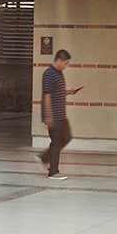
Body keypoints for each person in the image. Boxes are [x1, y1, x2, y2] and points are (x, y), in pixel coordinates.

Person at [37, 49, 82, 180]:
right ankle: (53, 172)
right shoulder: (49, 74)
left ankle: (43, 158)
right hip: (54, 115)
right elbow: (47, 95)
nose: (66, 66)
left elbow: (58, 91)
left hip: (61, 114)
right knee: (56, 142)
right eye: (66, 63)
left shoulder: (59, 73)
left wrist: (69, 92)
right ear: (59, 60)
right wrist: (48, 116)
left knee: (67, 137)